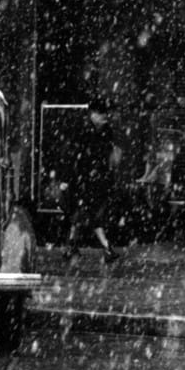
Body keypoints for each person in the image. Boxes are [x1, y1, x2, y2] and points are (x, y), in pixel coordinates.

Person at [65, 98, 124, 264]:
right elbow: (76, 156)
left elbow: (105, 155)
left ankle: (72, 246)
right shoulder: (84, 131)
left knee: (84, 213)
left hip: (97, 179)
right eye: (100, 113)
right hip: (86, 179)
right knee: (90, 214)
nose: (104, 116)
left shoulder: (104, 132)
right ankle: (105, 247)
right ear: (92, 114)